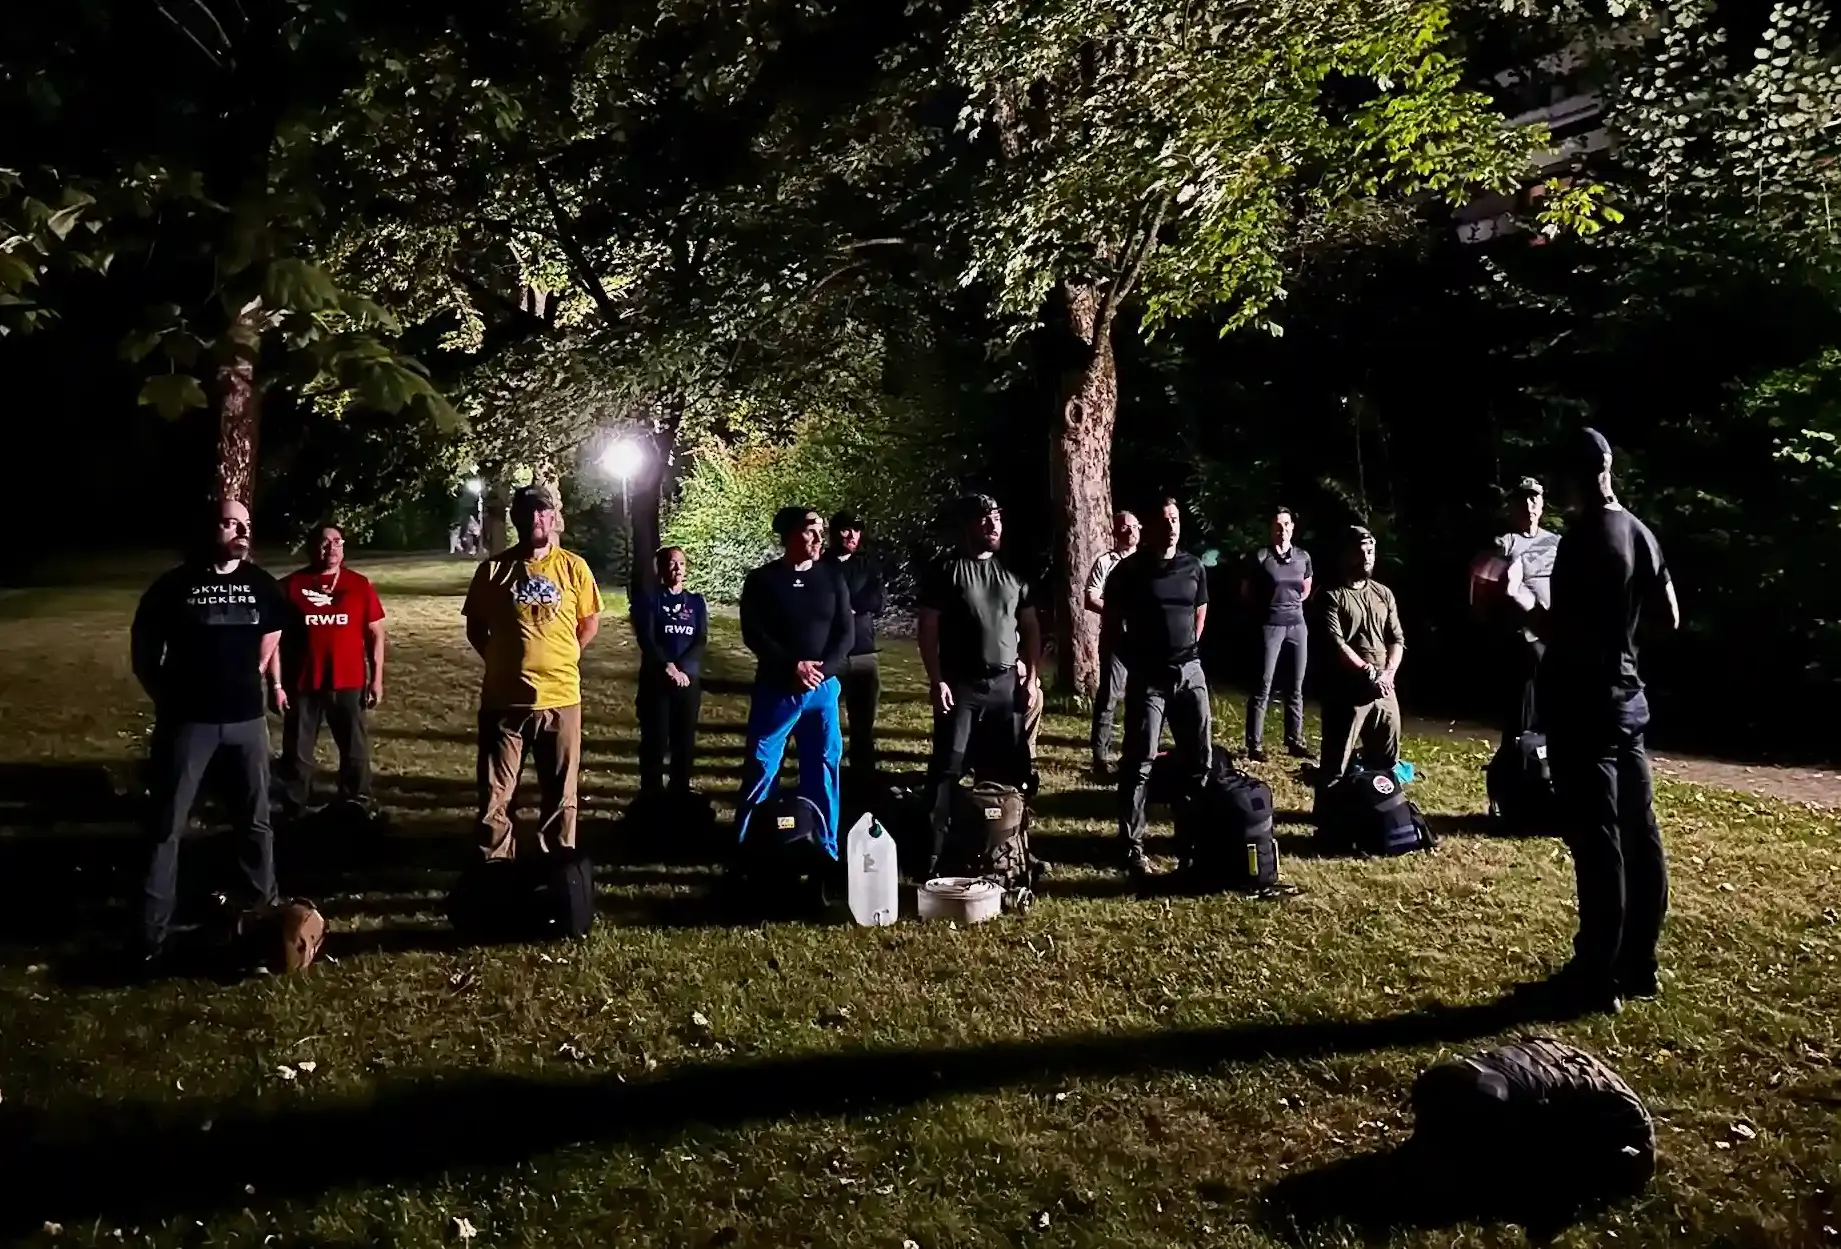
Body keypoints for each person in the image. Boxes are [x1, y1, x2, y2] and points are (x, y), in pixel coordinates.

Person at [1526, 428, 1679, 1016]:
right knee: (1640, 834)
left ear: (1576, 476)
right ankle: (1640, 963)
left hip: (1585, 709)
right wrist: (1625, 645)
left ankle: (1596, 974)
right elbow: (1668, 616)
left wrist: (1524, 612)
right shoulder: (1640, 532)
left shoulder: (1583, 539)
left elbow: (1563, 632)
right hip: (1628, 704)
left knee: (1599, 843)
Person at [130, 498, 289, 968]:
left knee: (256, 823)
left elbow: (273, 631)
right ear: (207, 529)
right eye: (229, 522)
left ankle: (263, 924)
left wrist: (256, 672)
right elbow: (144, 654)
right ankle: (150, 936)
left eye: (245, 524)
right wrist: (169, 699)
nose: (240, 530)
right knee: (167, 826)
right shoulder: (172, 587)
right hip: (188, 724)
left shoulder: (260, 585)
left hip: (247, 722)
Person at [462, 484, 603, 859]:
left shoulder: (574, 567)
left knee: (560, 794)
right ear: (516, 519)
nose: (536, 519)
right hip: (504, 702)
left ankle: (557, 867)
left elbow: (588, 622)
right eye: (528, 512)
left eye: (543, 511)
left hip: (560, 699)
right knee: (495, 793)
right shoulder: (494, 570)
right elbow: (475, 625)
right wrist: (496, 658)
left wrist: (567, 654)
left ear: (553, 518)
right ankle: (494, 867)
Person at [917, 493, 1042, 876]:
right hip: (962, 685)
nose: (993, 526)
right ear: (968, 525)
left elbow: (1031, 626)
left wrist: (1032, 677)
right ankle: (934, 855)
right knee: (948, 770)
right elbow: (928, 629)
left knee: (1008, 774)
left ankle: (1010, 849)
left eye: (997, 519)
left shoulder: (1013, 572)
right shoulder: (947, 570)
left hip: (1005, 687)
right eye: (984, 520)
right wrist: (937, 680)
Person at [736, 507, 855, 856]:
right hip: (777, 689)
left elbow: (845, 635)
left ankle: (826, 847)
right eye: (810, 531)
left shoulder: (832, 578)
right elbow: (754, 633)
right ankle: (749, 848)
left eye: (821, 531)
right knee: (762, 766)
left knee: (823, 764)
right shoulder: (762, 580)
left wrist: (823, 670)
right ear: (789, 535)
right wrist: (792, 666)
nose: (819, 539)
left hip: (822, 691)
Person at [1106, 496, 1211, 880]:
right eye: (1165, 520)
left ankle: (1192, 842)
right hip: (1149, 678)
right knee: (1139, 762)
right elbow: (1114, 626)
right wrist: (1138, 661)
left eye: (1176, 519)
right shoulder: (1130, 572)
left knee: (1198, 759)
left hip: (1190, 674)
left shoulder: (1194, 566)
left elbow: (1199, 610)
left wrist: (1188, 651)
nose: (1172, 526)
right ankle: (1132, 846)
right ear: (1150, 528)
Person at [277, 524, 386, 822]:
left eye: (337, 541)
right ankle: (293, 807)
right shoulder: (290, 587)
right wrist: (276, 684)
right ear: (313, 547)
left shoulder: (359, 585)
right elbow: (272, 638)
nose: (332, 547)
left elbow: (375, 632)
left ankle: (357, 803)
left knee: (354, 748)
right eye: (325, 542)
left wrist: (376, 678)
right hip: (303, 682)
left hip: (348, 681)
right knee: (298, 752)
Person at [1471, 477, 1560, 745]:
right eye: (1522, 500)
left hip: (1556, 629)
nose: (1529, 505)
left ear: (1542, 505)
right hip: (1523, 632)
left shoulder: (1556, 542)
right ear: (1512, 507)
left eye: (1534, 499)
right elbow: (1481, 578)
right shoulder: (1506, 543)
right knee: (1523, 697)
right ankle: (1517, 752)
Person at [1317, 525, 1406, 791]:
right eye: (1361, 551)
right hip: (1347, 689)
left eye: (1371, 551)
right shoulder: (1331, 595)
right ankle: (1328, 817)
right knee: (1337, 761)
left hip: (1384, 687)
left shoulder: (1383, 593)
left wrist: (1388, 672)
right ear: (1346, 554)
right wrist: (1369, 672)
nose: (1367, 557)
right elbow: (1336, 644)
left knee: (1387, 758)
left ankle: (1382, 810)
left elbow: (1397, 639)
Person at [630, 545, 707, 798]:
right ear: (661, 568)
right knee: (656, 739)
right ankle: (651, 794)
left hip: (688, 682)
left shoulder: (695, 602)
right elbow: (647, 638)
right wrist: (668, 667)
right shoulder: (651, 600)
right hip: (657, 682)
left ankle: (680, 791)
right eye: (672, 563)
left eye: (682, 563)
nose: (677, 568)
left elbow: (700, 639)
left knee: (683, 741)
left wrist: (683, 669)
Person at [1242, 506, 1314, 762]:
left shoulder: (1302, 557)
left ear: (1292, 528)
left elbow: (1305, 588)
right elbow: (1247, 590)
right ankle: (1254, 744)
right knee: (1263, 685)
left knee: (1295, 686)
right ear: (1271, 530)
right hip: (1270, 626)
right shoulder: (1261, 557)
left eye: (1287, 525)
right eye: (1277, 525)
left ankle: (1294, 740)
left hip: (1297, 625)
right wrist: (1268, 607)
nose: (1282, 530)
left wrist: (1290, 605)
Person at [823, 509, 886, 786]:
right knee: (825, 725)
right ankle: (826, 779)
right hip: (828, 654)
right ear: (833, 532)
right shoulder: (820, 565)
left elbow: (877, 601)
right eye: (846, 530)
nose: (852, 536)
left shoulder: (867, 565)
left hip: (863, 653)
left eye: (856, 530)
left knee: (863, 726)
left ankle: (864, 782)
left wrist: (850, 606)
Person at [1084, 509, 1141, 778]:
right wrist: (1119, 611)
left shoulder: (1147, 562)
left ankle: (1134, 755)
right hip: (1116, 639)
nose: (1131, 532)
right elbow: (1091, 597)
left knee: (1140, 699)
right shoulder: (1106, 562)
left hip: (1142, 640)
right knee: (1108, 697)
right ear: (1116, 531)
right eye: (1125, 527)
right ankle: (1100, 758)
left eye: (1134, 527)